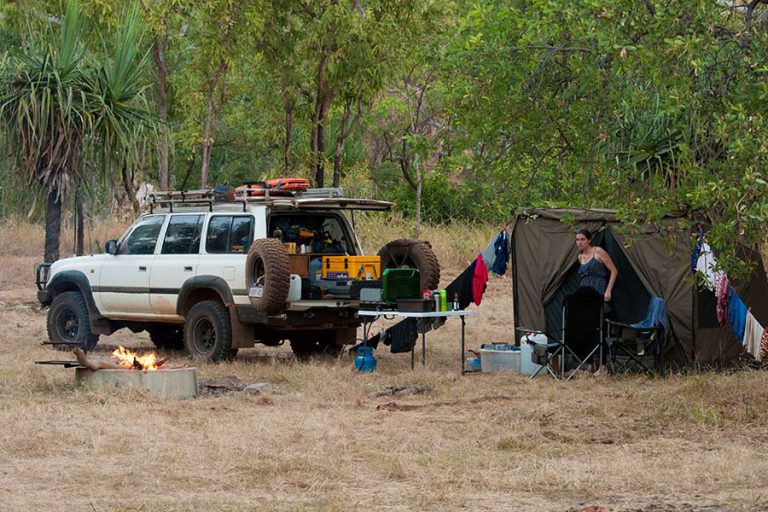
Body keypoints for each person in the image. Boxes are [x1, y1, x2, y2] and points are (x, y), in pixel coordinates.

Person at [574, 228, 618, 374]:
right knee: (585, 331)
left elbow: (614, 270)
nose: (579, 242)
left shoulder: (598, 252)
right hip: (584, 296)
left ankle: (603, 365)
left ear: (589, 240)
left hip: (599, 293)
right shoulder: (580, 257)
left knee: (600, 330)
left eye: (582, 239)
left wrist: (608, 290)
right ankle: (590, 364)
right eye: (577, 240)